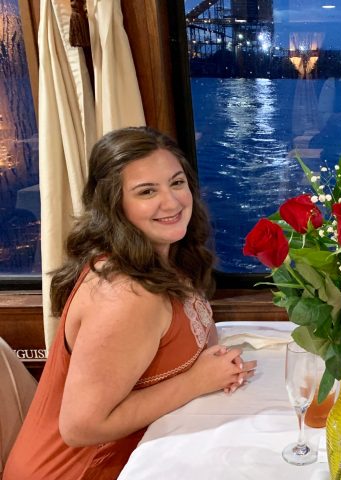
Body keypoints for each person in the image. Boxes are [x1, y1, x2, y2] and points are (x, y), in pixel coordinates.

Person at [3, 127, 257, 479]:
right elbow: (81, 427)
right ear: (114, 205)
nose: (171, 202)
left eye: (177, 183)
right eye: (146, 191)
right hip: (79, 471)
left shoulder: (166, 260)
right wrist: (197, 382)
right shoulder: (124, 296)